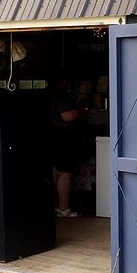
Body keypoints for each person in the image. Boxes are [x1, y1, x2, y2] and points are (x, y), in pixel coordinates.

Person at [50, 74, 83, 217]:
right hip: (63, 137)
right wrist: (81, 110)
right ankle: (63, 208)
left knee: (54, 171)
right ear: (63, 81)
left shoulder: (47, 94)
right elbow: (68, 116)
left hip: (51, 136)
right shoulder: (61, 96)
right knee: (65, 173)